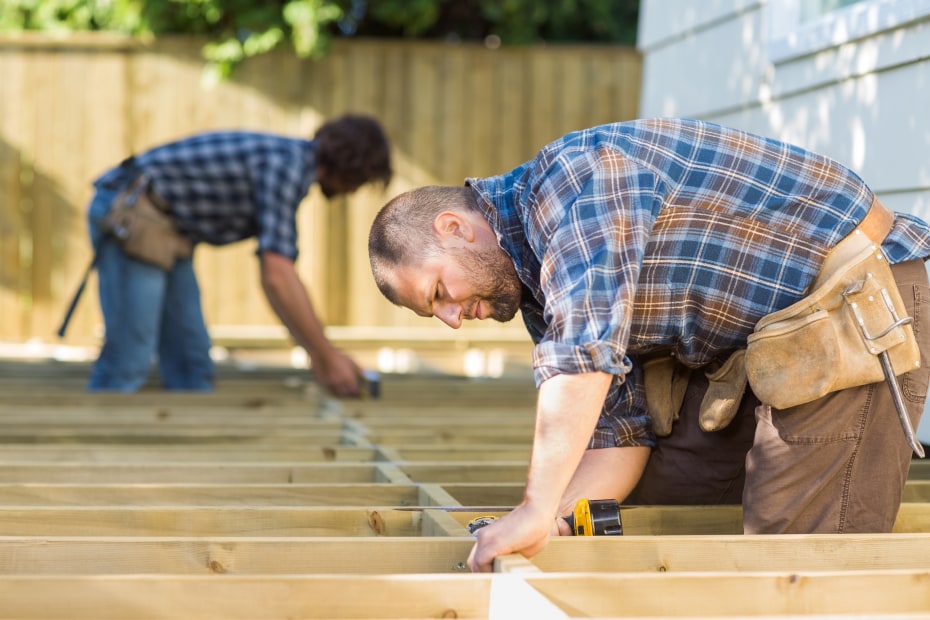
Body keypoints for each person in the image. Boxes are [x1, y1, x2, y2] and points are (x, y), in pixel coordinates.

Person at [368, 118, 930, 572]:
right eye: (433, 311)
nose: (450, 320)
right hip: (766, 350)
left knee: (790, 562)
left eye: (439, 291)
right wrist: (554, 520)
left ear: (454, 227)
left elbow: (582, 353)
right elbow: (620, 436)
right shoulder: (538, 291)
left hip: (852, 308)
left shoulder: (573, 182)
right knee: (668, 500)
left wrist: (535, 506)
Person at [83, 114, 392, 395]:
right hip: (132, 212)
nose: (353, 192)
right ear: (350, 166)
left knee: (191, 368)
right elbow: (277, 276)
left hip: (168, 228)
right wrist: (326, 357)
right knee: (128, 361)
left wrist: (321, 355)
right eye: (360, 182)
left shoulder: (291, 163)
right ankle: (95, 444)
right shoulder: (286, 166)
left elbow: (278, 281)